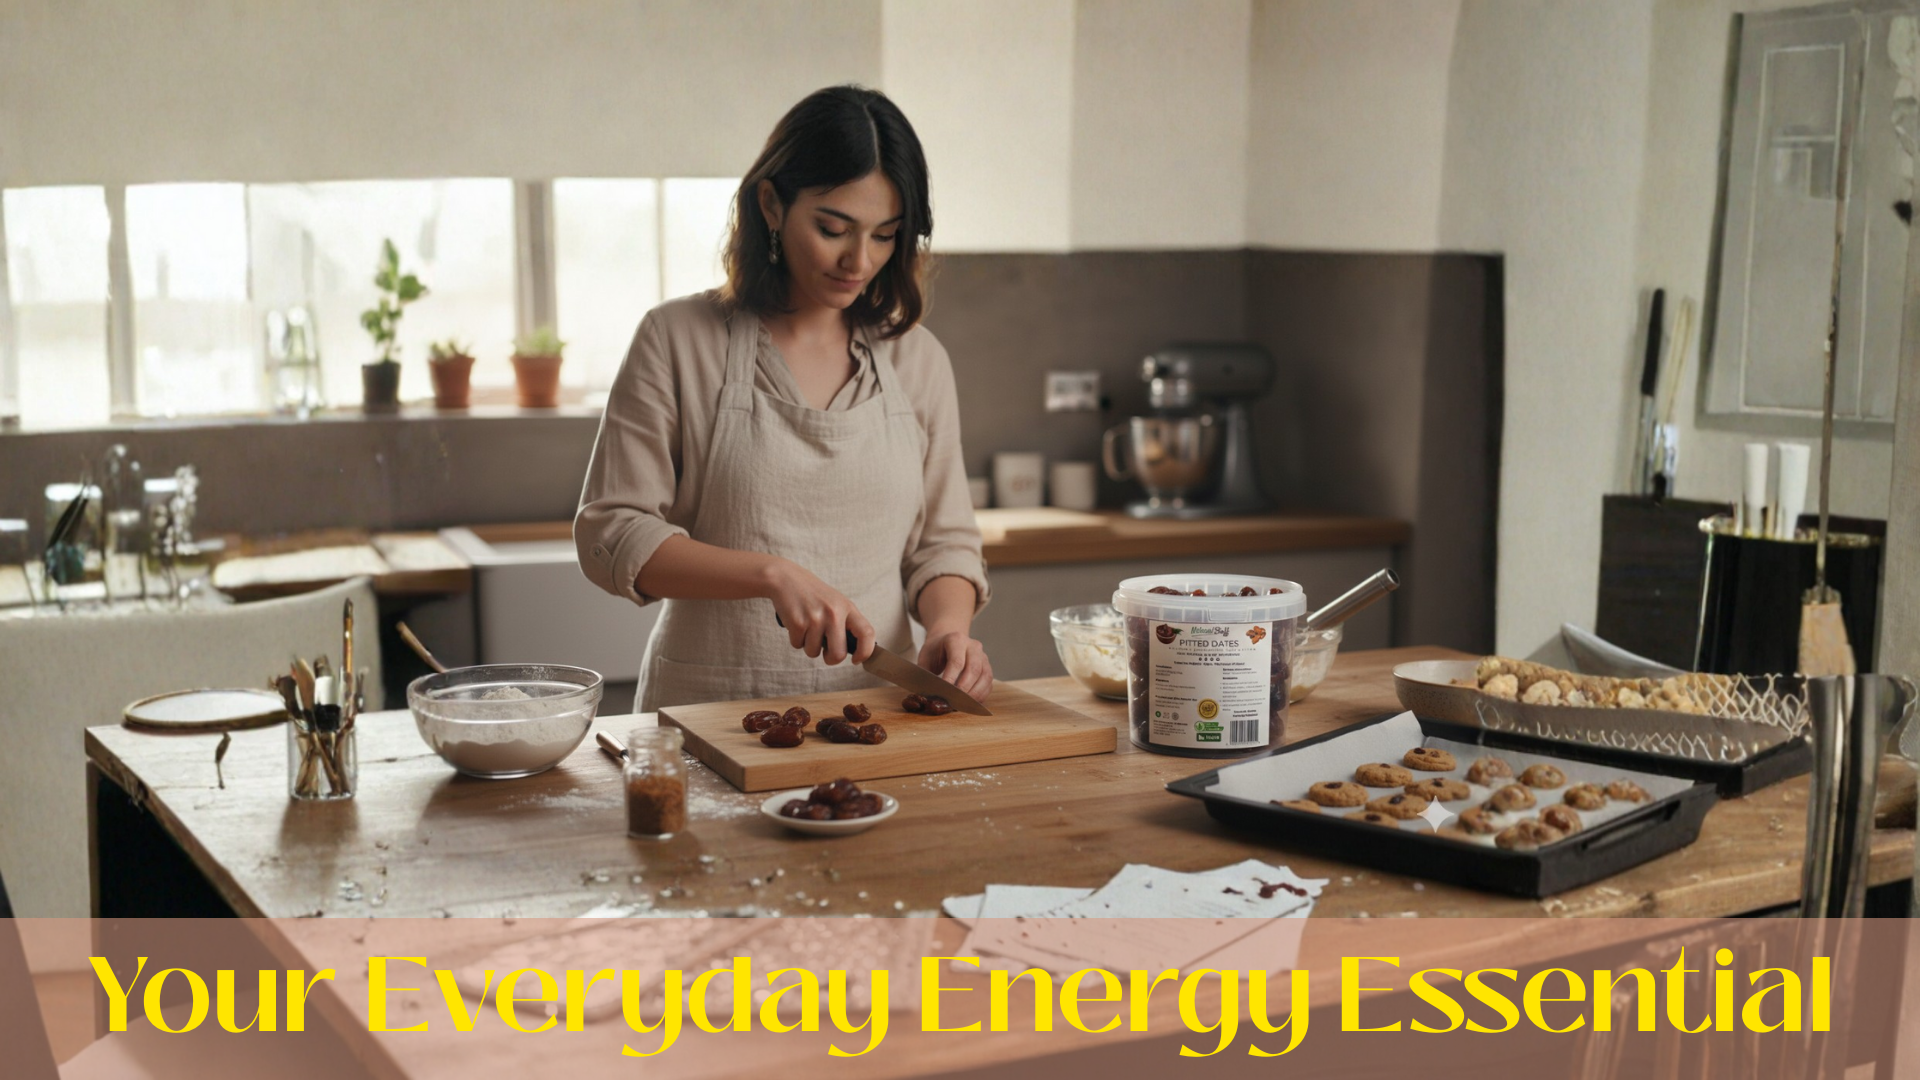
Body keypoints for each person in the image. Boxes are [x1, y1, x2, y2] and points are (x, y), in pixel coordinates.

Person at [575, 85, 992, 712]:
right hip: (708, 713)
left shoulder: (918, 359)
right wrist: (772, 574)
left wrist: (949, 630)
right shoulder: (676, 338)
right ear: (771, 204)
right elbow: (611, 530)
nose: (859, 260)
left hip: (877, 714)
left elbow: (945, 543)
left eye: (885, 236)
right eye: (833, 229)